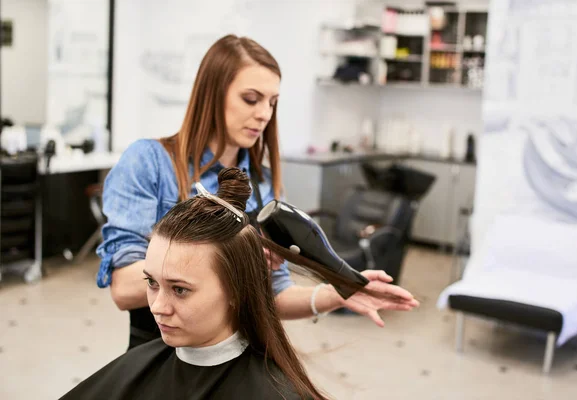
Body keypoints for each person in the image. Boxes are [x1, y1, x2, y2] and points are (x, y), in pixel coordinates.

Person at [96, 34, 418, 350]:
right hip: (161, 356)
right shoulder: (150, 163)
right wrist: (229, 258)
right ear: (212, 95)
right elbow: (124, 288)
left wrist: (337, 294)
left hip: (235, 358)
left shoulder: (263, 185)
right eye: (251, 99)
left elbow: (274, 297)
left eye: (272, 103)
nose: (264, 113)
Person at [62, 168, 418, 400]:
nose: (156, 306)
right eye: (152, 283)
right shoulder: (134, 370)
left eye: (180, 289)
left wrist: (333, 290)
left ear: (236, 290)